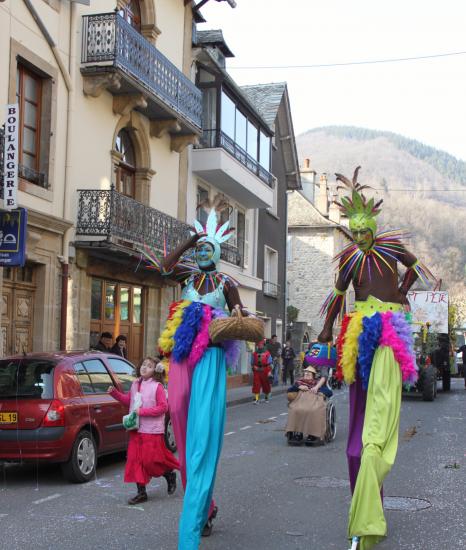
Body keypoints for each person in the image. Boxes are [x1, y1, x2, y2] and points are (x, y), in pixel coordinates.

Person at [318, 167, 433, 550]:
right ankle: (366, 499)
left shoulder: (391, 250)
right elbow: (337, 296)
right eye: (356, 232)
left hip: (388, 330)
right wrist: (326, 329)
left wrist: (401, 292)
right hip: (359, 331)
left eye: (365, 231)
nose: (361, 237)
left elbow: (416, 268)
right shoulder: (350, 260)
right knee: (360, 416)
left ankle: (372, 476)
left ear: (374, 227)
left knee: (380, 414)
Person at [144, 208, 245, 549]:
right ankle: (206, 505)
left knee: (201, 438)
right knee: (184, 433)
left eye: (207, 249)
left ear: (217, 255)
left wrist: (235, 316)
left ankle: (200, 509)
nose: (203, 254)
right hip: (182, 357)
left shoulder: (226, 283)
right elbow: (163, 267)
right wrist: (189, 240)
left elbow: (239, 317)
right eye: (200, 250)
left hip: (210, 358)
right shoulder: (186, 277)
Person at [107, 357, 179, 504]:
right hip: (136, 429)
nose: (145, 367)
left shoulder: (157, 387)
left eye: (150, 366)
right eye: (144, 364)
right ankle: (141, 493)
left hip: (152, 430)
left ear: (155, 371)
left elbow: (163, 407)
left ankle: (168, 474)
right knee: (135, 460)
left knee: (151, 461)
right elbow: (129, 401)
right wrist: (114, 393)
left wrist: (143, 412)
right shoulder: (135, 384)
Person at [285, 364, 328, 446]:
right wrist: (299, 387)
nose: (306, 375)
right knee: (294, 409)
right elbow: (289, 390)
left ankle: (313, 434)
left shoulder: (317, 384)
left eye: (309, 374)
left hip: (313, 403)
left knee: (313, 411)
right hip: (300, 402)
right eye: (305, 373)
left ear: (313, 376)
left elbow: (329, 392)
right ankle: (296, 433)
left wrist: (318, 390)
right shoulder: (299, 383)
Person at [251, 339, 272, 403]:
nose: (259, 346)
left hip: (265, 370)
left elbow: (270, 363)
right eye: (258, 345)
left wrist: (269, 372)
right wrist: (254, 367)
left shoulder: (267, 353)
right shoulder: (254, 353)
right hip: (257, 371)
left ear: (263, 345)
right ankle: (256, 399)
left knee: (266, 384)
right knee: (256, 385)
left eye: (260, 344)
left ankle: (266, 398)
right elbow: (252, 362)